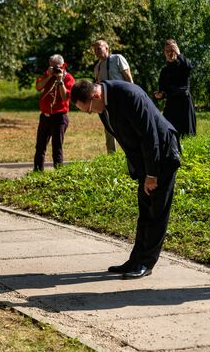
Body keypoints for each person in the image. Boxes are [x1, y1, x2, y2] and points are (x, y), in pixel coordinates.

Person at [71, 80, 181, 279]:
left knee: (156, 212)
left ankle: (146, 263)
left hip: (161, 157)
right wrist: (141, 171)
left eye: (88, 110)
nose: (91, 113)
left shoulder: (129, 95)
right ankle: (136, 259)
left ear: (95, 96)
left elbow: (150, 136)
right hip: (145, 163)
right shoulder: (104, 104)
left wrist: (151, 174)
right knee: (145, 211)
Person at [33, 54, 75, 172]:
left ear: (62, 65)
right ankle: (37, 172)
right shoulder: (48, 74)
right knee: (40, 147)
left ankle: (59, 173)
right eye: (51, 66)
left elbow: (65, 96)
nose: (53, 68)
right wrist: (49, 75)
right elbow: (38, 86)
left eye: (55, 66)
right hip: (45, 116)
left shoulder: (68, 78)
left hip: (59, 117)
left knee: (57, 147)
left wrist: (60, 80)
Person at [92, 39, 134, 154]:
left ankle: (131, 151)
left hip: (121, 98)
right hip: (107, 101)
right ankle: (112, 155)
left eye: (99, 48)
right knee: (109, 128)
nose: (96, 51)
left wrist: (132, 96)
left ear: (107, 48)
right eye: (95, 49)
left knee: (125, 125)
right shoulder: (97, 67)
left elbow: (128, 78)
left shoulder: (117, 58)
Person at [154, 39, 196, 137]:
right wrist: (160, 95)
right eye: (167, 51)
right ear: (164, 53)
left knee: (187, 135)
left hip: (184, 103)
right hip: (171, 104)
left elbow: (189, 67)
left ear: (176, 50)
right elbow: (164, 90)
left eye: (172, 50)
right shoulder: (164, 71)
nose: (169, 53)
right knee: (167, 131)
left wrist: (178, 53)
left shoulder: (183, 65)